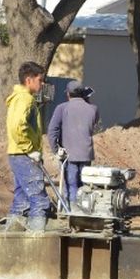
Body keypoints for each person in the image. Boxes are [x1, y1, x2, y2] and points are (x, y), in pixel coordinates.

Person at [5, 61, 51, 234]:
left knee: (22, 199)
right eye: (40, 80)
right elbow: (17, 126)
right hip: (24, 154)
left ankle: (12, 237)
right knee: (38, 198)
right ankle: (36, 241)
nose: (43, 83)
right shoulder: (24, 99)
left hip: (19, 154)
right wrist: (30, 149)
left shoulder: (23, 98)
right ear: (29, 80)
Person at [47, 80, 99, 209]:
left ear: (68, 94)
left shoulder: (62, 108)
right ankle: (83, 210)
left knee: (71, 184)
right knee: (84, 184)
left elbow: (52, 130)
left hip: (68, 155)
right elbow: (94, 122)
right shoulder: (93, 109)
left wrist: (55, 149)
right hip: (86, 154)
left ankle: (72, 211)